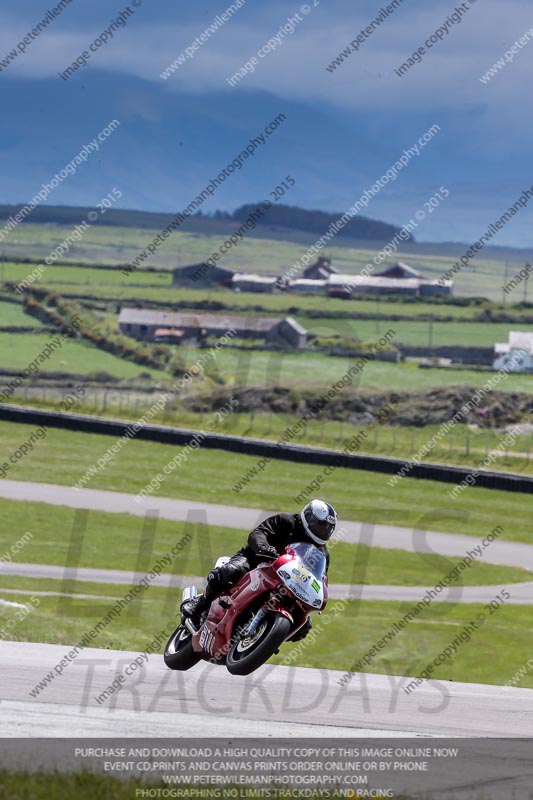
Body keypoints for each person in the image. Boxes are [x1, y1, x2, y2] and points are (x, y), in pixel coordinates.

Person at [181, 499, 337, 641]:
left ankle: (267, 638)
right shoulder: (286, 522)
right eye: (320, 525)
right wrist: (264, 548)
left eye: (327, 528)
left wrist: (320, 593)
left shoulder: (322, 553)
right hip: (255, 560)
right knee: (231, 571)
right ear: (308, 517)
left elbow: (321, 578)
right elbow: (258, 533)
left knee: (304, 626)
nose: (322, 530)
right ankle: (201, 602)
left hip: (288, 583)